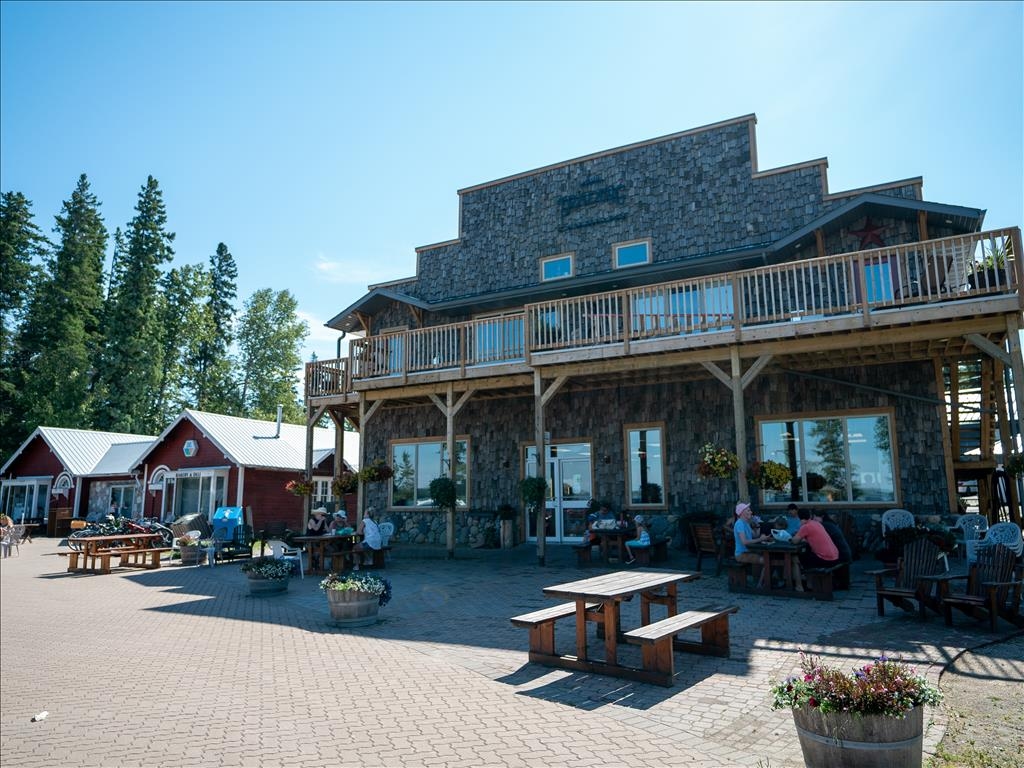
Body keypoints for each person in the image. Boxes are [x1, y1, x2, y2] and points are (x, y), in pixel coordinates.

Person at [791, 508, 840, 573]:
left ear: (798, 517)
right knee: (807, 553)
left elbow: (794, 541)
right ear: (810, 515)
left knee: (796, 558)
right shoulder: (816, 523)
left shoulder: (806, 526)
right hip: (835, 557)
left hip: (827, 560)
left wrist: (791, 537)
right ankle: (808, 579)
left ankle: (801, 581)